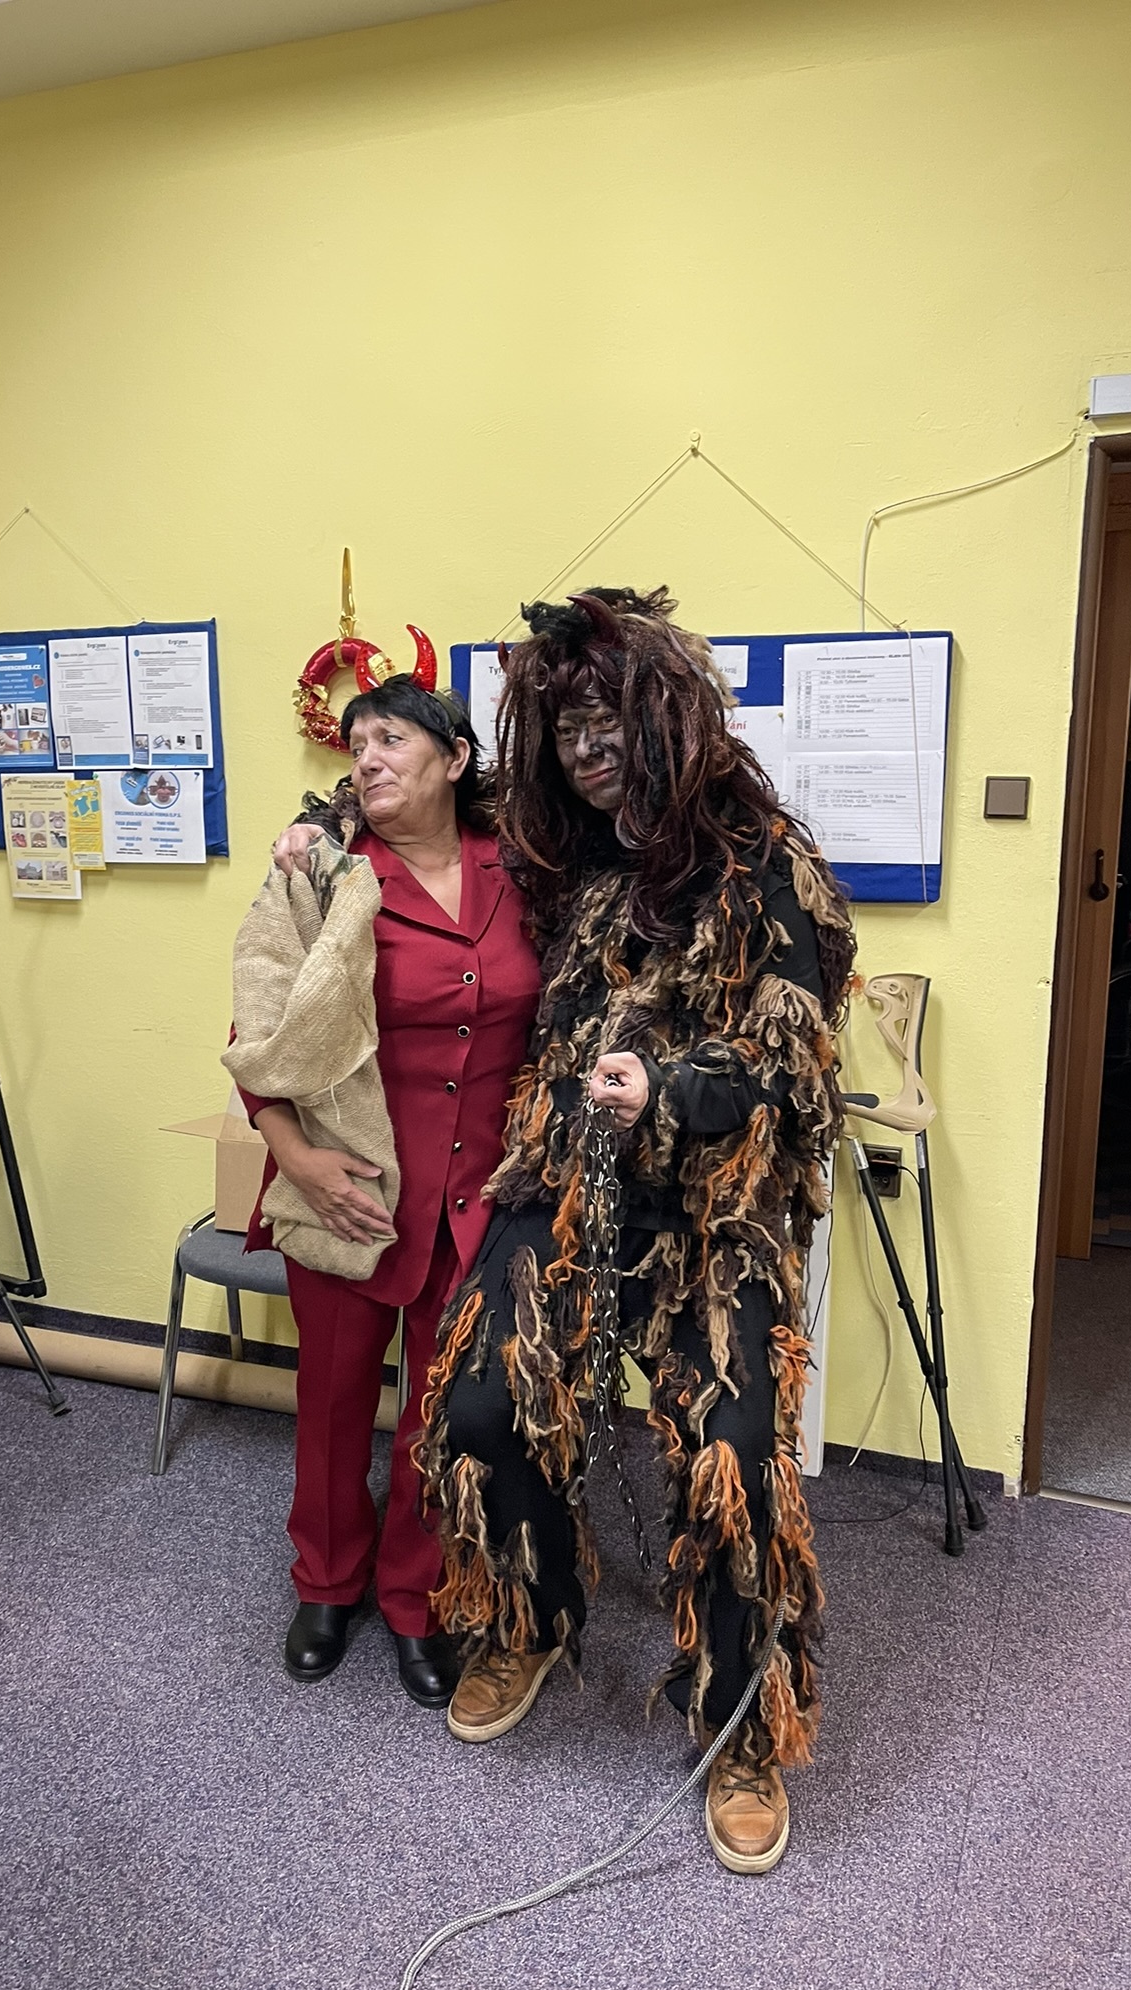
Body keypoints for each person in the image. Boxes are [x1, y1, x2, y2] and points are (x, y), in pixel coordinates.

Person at [415, 589, 855, 1873]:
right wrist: (323, 822)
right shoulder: (562, 851)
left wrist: (670, 1086)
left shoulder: (761, 856)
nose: (586, 748)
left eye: (607, 720)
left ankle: (742, 1721)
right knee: (483, 1399)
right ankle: (534, 1613)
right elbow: (425, 808)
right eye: (564, 730)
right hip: (565, 1177)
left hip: (715, 1200)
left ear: (668, 717)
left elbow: (793, 1063)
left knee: (732, 1448)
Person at [240, 680, 541, 1705]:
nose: (367, 757)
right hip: (347, 1185)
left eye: (392, 738)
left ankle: (415, 1596)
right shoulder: (324, 872)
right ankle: (326, 1582)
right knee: (331, 1400)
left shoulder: (522, 872)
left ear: (454, 759)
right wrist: (298, 1160)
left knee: (438, 1411)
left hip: (477, 1195)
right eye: (356, 742)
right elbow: (256, 1036)